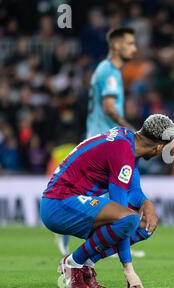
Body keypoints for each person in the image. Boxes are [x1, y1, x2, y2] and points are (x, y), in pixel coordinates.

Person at [40, 114, 174, 288]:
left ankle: (85, 264)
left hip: (68, 202)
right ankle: (73, 264)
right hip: (59, 204)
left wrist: (146, 203)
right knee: (130, 219)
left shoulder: (126, 140)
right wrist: (129, 269)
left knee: (145, 224)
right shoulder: (122, 152)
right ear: (159, 147)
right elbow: (122, 211)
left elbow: (133, 191)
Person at [55, 27, 141, 257]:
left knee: (97, 195)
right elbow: (109, 106)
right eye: (130, 43)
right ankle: (115, 240)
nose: (135, 48)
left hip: (97, 139)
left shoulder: (103, 69)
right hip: (108, 140)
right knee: (116, 195)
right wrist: (130, 130)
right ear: (116, 46)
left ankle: (107, 239)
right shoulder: (110, 71)